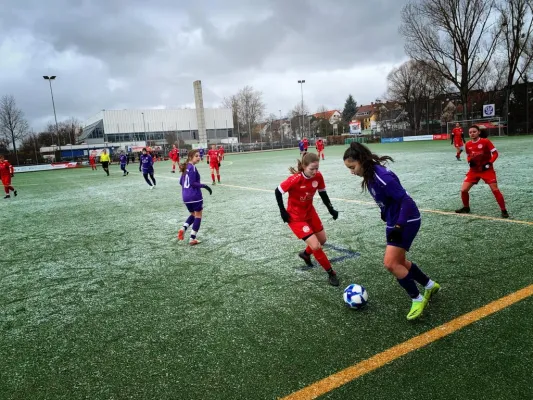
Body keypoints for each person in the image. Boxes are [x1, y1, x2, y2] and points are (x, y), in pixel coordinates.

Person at [343, 142, 440, 320]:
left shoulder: (381, 176)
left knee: (390, 263)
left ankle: (417, 299)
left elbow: (405, 201)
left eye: (352, 167)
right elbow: (388, 200)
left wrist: (399, 225)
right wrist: (385, 213)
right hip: (394, 220)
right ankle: (430, 285)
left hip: (407, 220)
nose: (352, 172)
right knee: (400, 261)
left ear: (361, 160)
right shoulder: (371, 175)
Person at [275, 153, 340, 286]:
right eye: (312, 169)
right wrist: (282, 211)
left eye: (317, 168)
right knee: (316, 246)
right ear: (304, 166)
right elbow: (278, 191)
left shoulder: (318, 176)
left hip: (310, 213)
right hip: (296, 217)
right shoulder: (295, 179)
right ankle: (331, 273)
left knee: (322, 240)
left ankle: (305, 254)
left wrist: (331, 209)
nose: (315, 172)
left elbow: (323, 193)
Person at [455, 125, 509, 218]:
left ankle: (504, 210)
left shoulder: (485, 141)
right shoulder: (467, 144)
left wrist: (489, 163)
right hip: (474, 171)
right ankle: (466, 208)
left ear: (479, 132)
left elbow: (495, 154)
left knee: (495, 189)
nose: (472, 133)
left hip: (487, 170)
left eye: (474, 131)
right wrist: (469, 162)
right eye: (470, 132)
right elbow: (468, 155)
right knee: (464, 190)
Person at [177, 150, 212, 245]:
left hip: (185, 197)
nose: (198, 157)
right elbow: (192, 183)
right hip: (195, 196)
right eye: (196, 156)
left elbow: (181, 182)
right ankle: (192, 238)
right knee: (198, 215)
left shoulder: (185, 167)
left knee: (193, 214)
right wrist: (204, 186)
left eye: (199, 156)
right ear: (190, 157)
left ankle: (183, 228)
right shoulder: (192, 167)